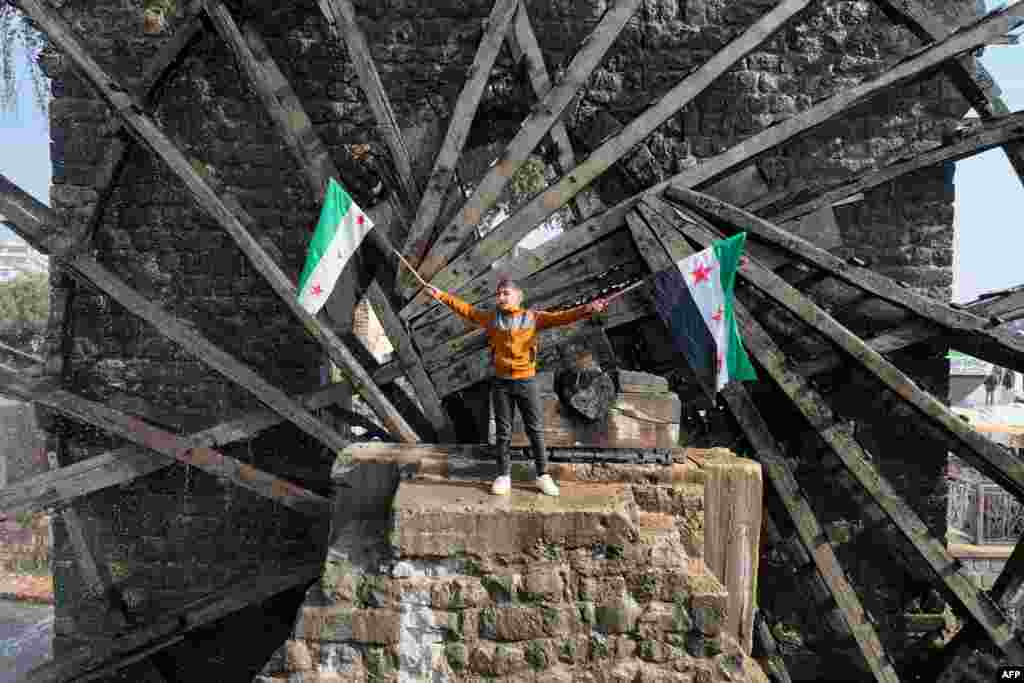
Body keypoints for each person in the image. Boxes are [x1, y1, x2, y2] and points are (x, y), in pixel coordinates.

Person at [425, 278, 609, 497]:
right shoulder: (492, 319)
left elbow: (563, 317)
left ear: (518, 297)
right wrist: (440, 295)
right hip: (501, 383)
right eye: (498, 294)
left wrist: (587, 309)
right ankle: (503, 476)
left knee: (535, 430)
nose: (501, 297)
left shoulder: (533, 318)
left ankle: (543, 475)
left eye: (505, 293)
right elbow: (467, 310)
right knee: (503, 433)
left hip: (526, 382)